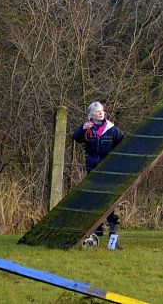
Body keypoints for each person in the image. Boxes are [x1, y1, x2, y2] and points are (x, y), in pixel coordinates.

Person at [72, 101, 125, 241]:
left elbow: (124, 142)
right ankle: (97, 229)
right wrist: (83, 129)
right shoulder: (87, 128)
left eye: (102, 110)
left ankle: (113, 225)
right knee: (94, 198)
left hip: (108, 168)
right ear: (91, 115)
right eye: (97, 111)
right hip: (92, 167)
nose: (101, 113)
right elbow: (75, 138)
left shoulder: (112, 129)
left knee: (107, 198)